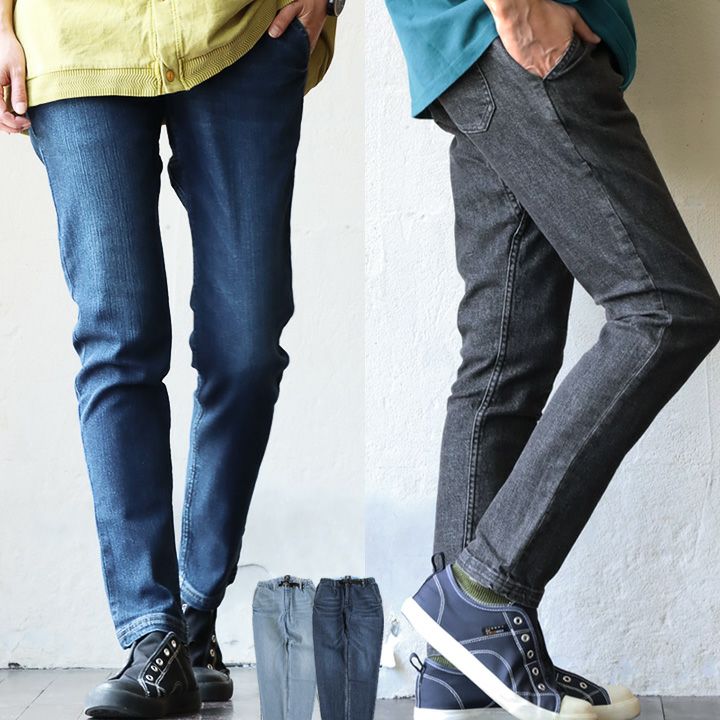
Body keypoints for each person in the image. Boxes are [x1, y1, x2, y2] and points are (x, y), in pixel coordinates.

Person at [0, 0, 343, 716]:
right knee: (117, 338)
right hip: (77, 40)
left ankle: (193, 609)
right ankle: (150, 633)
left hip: (241, 29)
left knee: (247, 346)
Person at [384, 1, 720, 719]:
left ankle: (458, 669)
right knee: (666, 310)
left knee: (504, 358)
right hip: (513, 37)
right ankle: (482, 592)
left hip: (471, 49)